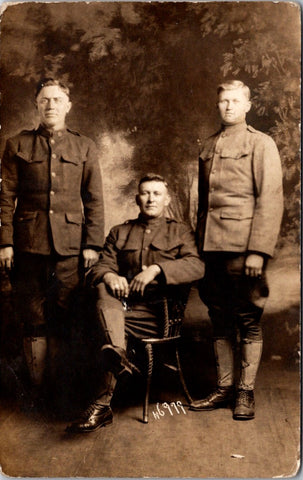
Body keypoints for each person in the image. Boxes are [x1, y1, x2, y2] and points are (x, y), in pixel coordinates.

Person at [66, 173, 205, 433]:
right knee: (101, 288)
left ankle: (101, 403)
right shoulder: (120, 231)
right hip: (120, 310)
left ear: (167, 199)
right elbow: (100, 265)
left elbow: (197, 266)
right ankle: (117, 354)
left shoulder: (180, 231)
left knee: (99, 322)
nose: (150, 198)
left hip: (158, 314)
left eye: (156, 193)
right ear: (137, 199)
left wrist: (156, 269)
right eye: (145, 193)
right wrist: (109, 275)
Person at [0, 78, 104, 398]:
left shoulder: (84, 146)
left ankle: (63, 387)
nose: (51, 106)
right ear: (36, 105)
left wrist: (92, 245)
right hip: (28, 244)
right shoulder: (17, 144)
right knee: (32, 314)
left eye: (57, 100)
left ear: (68, 106)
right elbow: (4, 197)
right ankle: (37, 389)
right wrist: (4, 242)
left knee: (67, 312)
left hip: (71, 247)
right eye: (45, 100)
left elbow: (95, 200)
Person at [190, 80, 283, 420]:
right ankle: (224, 388)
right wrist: (197, 245)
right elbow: (202, 204)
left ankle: (245, 392)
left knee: (247, 319)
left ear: (247, 105)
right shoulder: (209, 144)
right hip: (210, 247)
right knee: (219, 319)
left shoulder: (261, 144)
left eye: (235, 101)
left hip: (244, 248)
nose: (228, 106)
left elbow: (270, 199)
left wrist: (258, 250)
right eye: (223, 101)